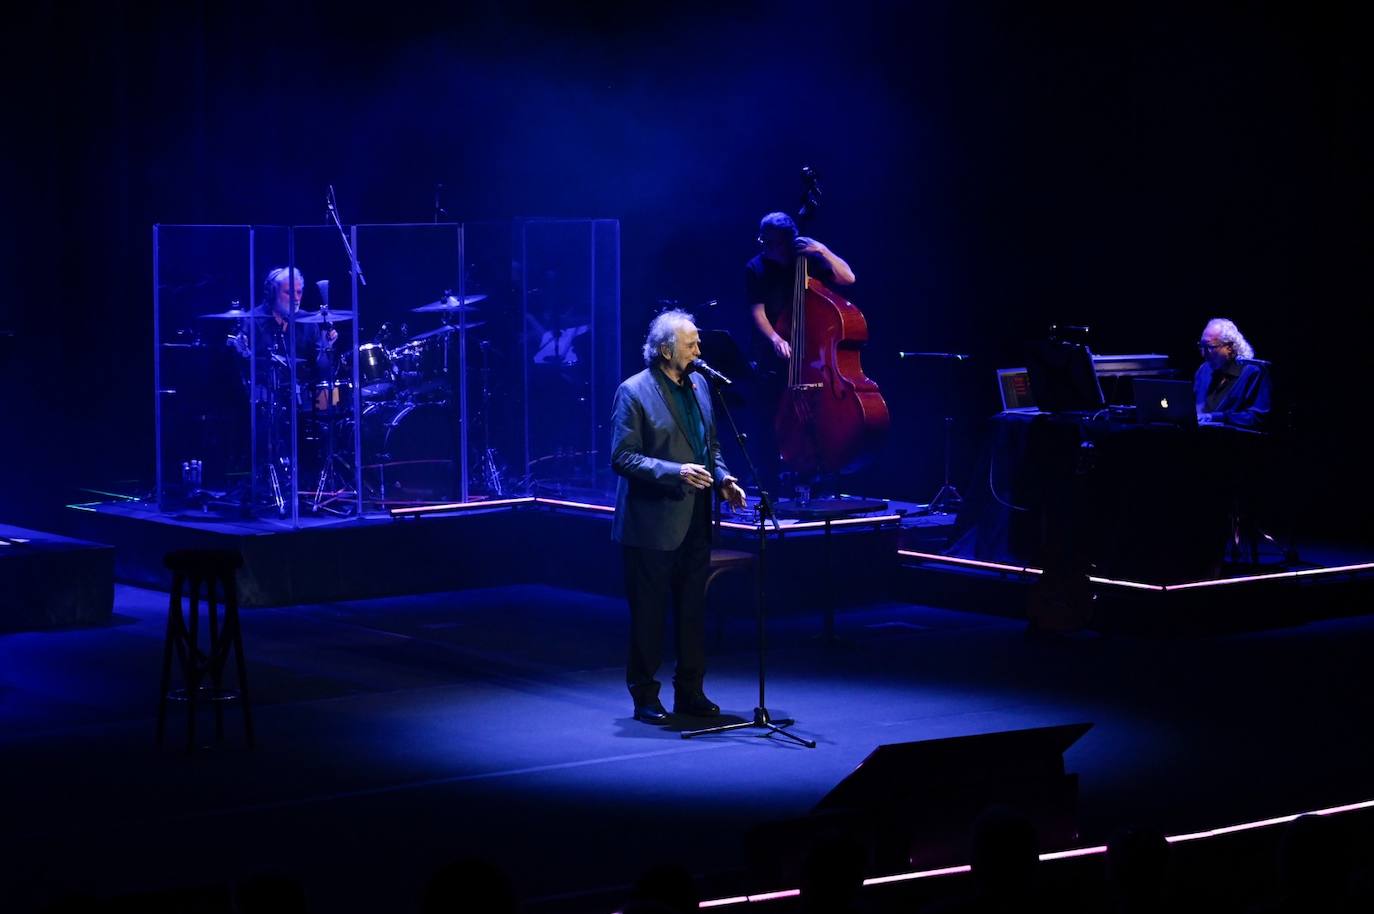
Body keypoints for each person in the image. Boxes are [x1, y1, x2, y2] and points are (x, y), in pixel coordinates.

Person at [611, 310, 747, 723]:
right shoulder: (633, 391)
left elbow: (710, 447)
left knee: (691, 611)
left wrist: (723, 478)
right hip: (651, 524)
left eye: (698, 344)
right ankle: (645, 697)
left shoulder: (702, 385)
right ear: (666, 349)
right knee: (649, 615)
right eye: (692, 345)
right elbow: (621, 457)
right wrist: (676, 472)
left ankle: (691, 691)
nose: (699, 350)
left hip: (696, 518)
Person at [1193, 318, 1271, 430]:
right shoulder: (1204, 370)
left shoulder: (1253, 372)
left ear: (1229, 347)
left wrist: (1218, 417)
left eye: (1210, 347)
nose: (1203, 354)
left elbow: (1258, 417)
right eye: (1202, 346)